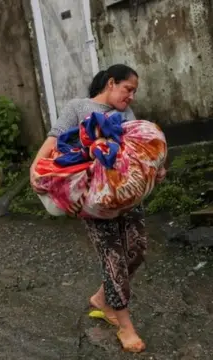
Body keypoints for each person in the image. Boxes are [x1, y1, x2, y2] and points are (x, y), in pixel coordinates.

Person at [30, 64, 147, 353]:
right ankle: (124, 325)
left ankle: (101, 298)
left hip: (127, 194)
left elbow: (137, 149)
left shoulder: (126, 115)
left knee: (137, 251)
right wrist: (35, 168)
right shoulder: (78, 107)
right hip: (95, 200)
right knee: (113, 257)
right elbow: (55, 138)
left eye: (134, 92)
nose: (131, 96)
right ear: (111, 83)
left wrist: (153, 168)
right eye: (127, 89)